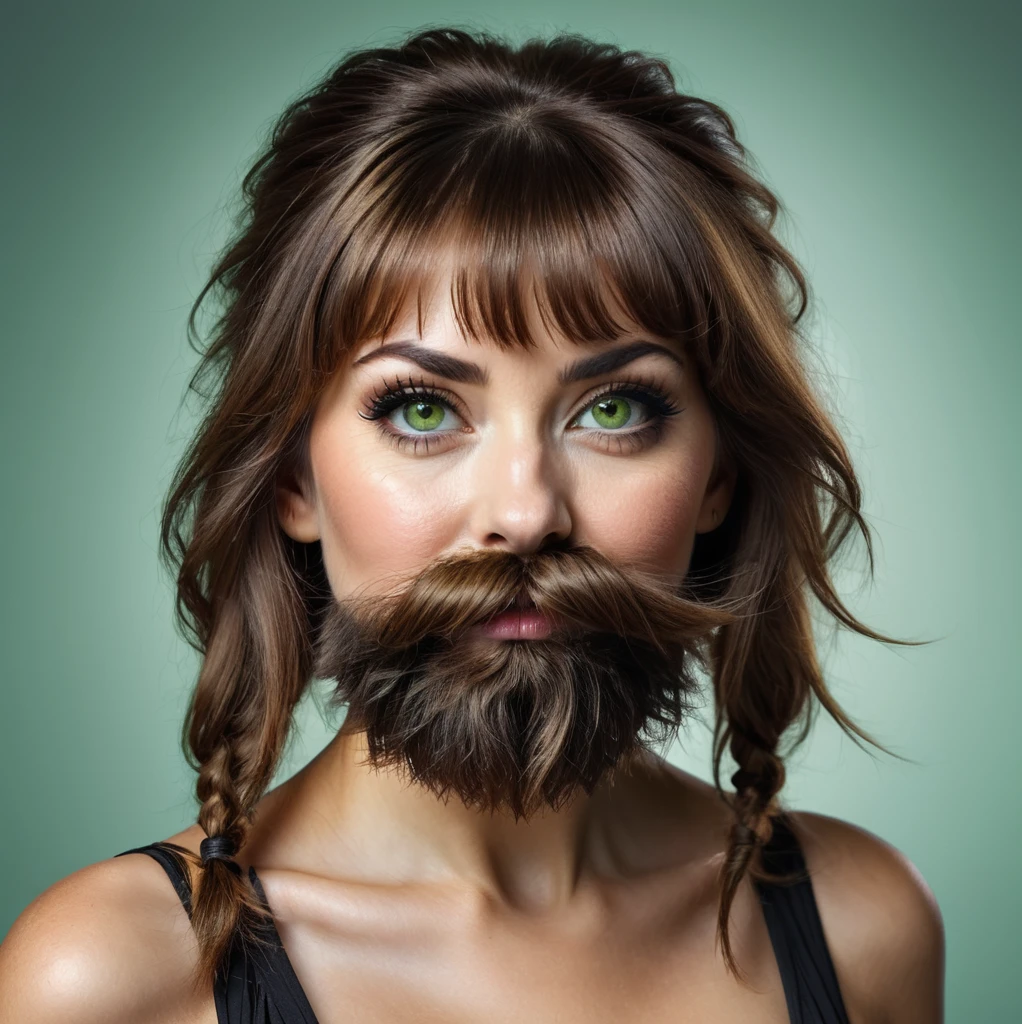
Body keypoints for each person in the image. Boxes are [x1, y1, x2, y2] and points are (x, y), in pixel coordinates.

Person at [0, 26, 944, 1024]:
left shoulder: (860, 929)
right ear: (292, 478)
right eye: (420, 410)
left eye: (615, 410)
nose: (526, 514)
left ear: (719, 475)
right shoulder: (111, 982)